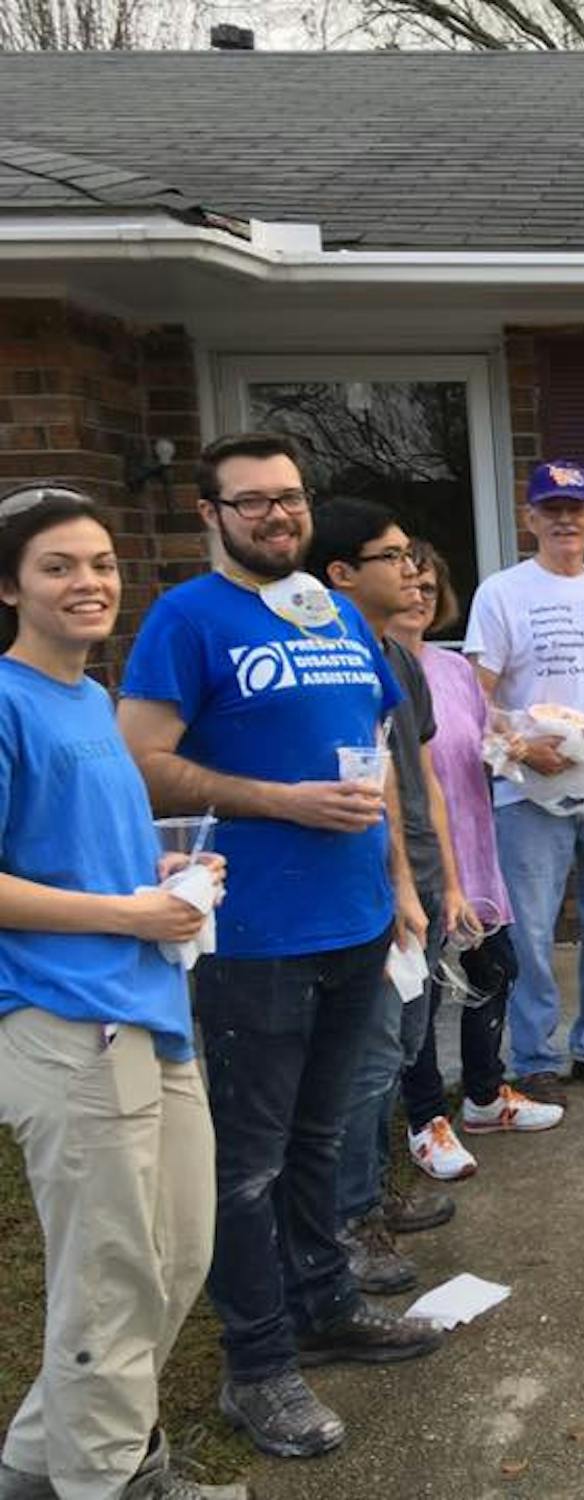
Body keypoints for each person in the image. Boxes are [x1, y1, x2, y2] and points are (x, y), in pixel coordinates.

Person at [117, 433, 442, 1462]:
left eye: (290, 499)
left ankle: (326, 1303)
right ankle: (256, 1368)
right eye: (251, 502)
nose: (277, 517)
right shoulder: (185, 620)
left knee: (322, 1139)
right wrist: (279, 801)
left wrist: (398, 885)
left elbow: (378, 758)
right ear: (211, 514)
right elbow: (143, 762)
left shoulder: (337, 612)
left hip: (354, 921)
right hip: (251, 934)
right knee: (247, 1163)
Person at [0, 486, 241, 1500]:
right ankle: (114, 1479)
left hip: (145, 1006)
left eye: (100, 562)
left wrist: (163, 881)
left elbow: (78, 853)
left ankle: (30, 1469)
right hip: (66, 1021)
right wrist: (126, 917)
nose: (89, 581)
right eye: (59, 565)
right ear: (10, 585)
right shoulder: (7, 700)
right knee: (110, 1277)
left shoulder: (90, 700)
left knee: (176, 1252)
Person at [306, 499, 474, 1303]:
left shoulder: (397, 660)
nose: (414, 572)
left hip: (419, 878)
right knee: (367, 1060)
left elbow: (423, 778)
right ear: (341, 574)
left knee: (405, 1043)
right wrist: (400, 885)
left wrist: (446, 876)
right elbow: (360, 784)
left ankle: (375, 1194)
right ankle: (348, 1224)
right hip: (373, 887)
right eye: (395, 556)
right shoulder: (326, 659)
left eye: (413, 555)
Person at [463, 458, 584, 1102]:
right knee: (531, 925)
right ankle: (534, 1058)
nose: (564, 519)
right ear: (530, 519)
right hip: (530, 787)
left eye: (576, 509)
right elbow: (474, 697)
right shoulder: (501, 592)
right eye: (551, 509)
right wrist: (518, 751)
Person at [393, 540, 563, 1140]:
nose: (416, 597)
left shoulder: (453, 668)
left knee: (493, 967)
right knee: (424, 994)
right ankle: (424, 1120)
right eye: (406, 583)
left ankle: (485, 1098)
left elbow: (480, 741)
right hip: (415, 857)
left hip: (473, 843)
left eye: (429, 589)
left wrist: (512, 746)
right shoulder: (374, 670)